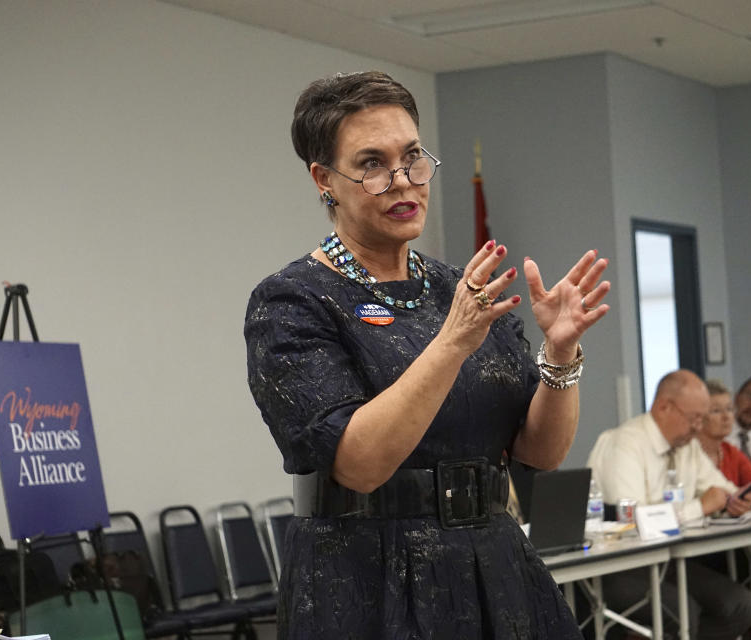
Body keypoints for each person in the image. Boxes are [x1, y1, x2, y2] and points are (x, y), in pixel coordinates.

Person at [244, 71, 611, 639]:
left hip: (494, 566)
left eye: (413, 157)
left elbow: (540, 452)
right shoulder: (292, 301)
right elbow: (359, 464)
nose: (403, 181)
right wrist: (451, 344)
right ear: (324, 180)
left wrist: (560, 354)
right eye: (371, 164)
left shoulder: (458, 289)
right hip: (367, 576)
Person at [587, 370, 751, 640]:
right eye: (695, 418)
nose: (699, 427)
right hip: (620, 566)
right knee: (683, 613)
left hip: (668, 561)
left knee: (740, 605)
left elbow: (721, 487)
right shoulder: (625, 443)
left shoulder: (686, 445)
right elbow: (633, 521)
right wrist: (699, 507)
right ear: (665, 407)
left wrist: (739, 499)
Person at [697, 379, 751, 489]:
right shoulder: (687, 453)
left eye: (729, 409)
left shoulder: (731, 452)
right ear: (698, 417)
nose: (726, 417)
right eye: (716, 411)